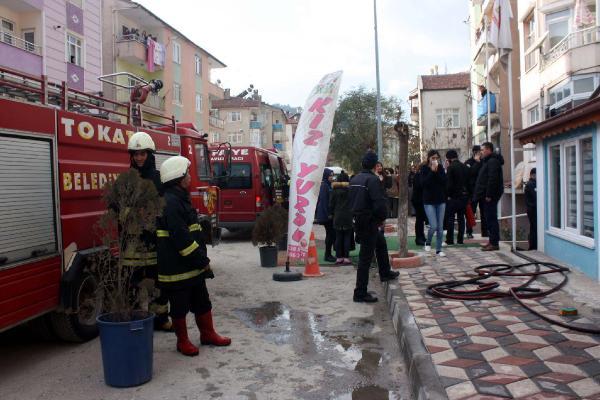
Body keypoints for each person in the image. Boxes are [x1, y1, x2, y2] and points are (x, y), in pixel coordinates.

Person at [157, 156, 231, 357]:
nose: (190, 176)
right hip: (178, 268)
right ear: (179, 178)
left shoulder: (179, 197)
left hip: (190, 266)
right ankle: (183, 342)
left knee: (202, 301)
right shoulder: (171, 203)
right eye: (187, 173)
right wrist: (201, 260)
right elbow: (181, 239)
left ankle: (208, 334)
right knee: (179, 307)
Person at [122, 131, 172, 332]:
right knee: (132, 285)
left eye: (143, 153)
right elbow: (118, 208)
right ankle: (135, 321)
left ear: (150, 154)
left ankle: (160, 319)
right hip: (132, 244)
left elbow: (165, 208)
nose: (139, 157)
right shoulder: (126, 180)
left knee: (157, 283)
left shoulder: (159, 179)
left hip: (154, 241)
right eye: (135, 154)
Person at [349, 151, 399, 303]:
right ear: (374, 165)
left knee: (381, 244)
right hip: (369, 220)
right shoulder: (372, 180)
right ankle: (360, 293)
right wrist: (381, 218)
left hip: (359, 219)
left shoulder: (355, 179)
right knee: (365, 258)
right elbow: (379, 203)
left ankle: (385, 272)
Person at [473, 142, 504, 251]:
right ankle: (491, 241)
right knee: (489, 218)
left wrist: (489, 195)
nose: (481, 152)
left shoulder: (492, 162)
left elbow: (492, 179)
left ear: (488, 150)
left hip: (490, 196)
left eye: (482, 150)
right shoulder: (487, 161)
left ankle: (494, 243)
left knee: (491, 219)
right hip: (486, 195)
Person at [421, 150, 447, 257]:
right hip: (429, 201)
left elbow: (444, 181)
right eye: (433, 158)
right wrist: (431, 171)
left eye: (436, 158)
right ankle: (428, 241)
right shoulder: (424, 169)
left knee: (440, 227)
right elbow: (424, 183)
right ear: (429, 158)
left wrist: (436, 171)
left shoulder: (440, 168)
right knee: (433, 226)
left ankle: (438, 250)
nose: (435, 160)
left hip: (440, 201)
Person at [445, 149, 469, 245]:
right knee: (461, 218)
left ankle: (450, 240)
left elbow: (449, 184)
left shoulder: (451, 168)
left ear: (449, 158)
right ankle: (460, 240)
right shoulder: (464, 167)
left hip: (453, 198)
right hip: (463, 196)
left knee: (450, 218)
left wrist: (448, 195)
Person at [329, 171, 353, 265]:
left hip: (337, 216)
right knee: (347, 236)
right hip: (348, 216)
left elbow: (331, 204)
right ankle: (346, 257)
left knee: (338, 237)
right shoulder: (350, 190)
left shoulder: (334, 191)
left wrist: (331, 213)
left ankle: (339, 257)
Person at [465, 145, 487, 239]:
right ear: (474, 153)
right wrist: (477, 163)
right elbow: (470, 173)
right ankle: (469, 232)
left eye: (481, 152)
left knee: (484, 212)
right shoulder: (468, 162)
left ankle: (485, 232)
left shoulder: (484, 162)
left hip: (482, 191)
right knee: (471, 212)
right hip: (472, 192)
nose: (479, 154)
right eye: (478, 152)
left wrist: (479, 162)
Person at [316, 168, 336, 262]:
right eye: (330, 175)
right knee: (330, 234)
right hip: (326, 215)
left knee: (330, 234)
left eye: (332, 175)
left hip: (327, 214)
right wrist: (328, 214)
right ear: (326, 176)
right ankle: (327, 255)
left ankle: (328, 254)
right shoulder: (324, 186)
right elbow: (324, 201)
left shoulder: (327, 185)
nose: (332, 177)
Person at [411, 161, 428, 246]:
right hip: (418, 200)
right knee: (419, 220)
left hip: (420, 200)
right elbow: (419, 186)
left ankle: (421, 236)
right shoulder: (418, 175)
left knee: (421, 220)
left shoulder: (420, 175)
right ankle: (419, 238)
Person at [525, 168, 537, 250]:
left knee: (534, 228)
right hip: (532, 210)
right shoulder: (531, 184)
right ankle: (533, 246)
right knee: (534, 228)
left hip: (532, 209)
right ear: (533, 175)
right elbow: (535, 198)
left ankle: (533, 246)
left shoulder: (532, 184)